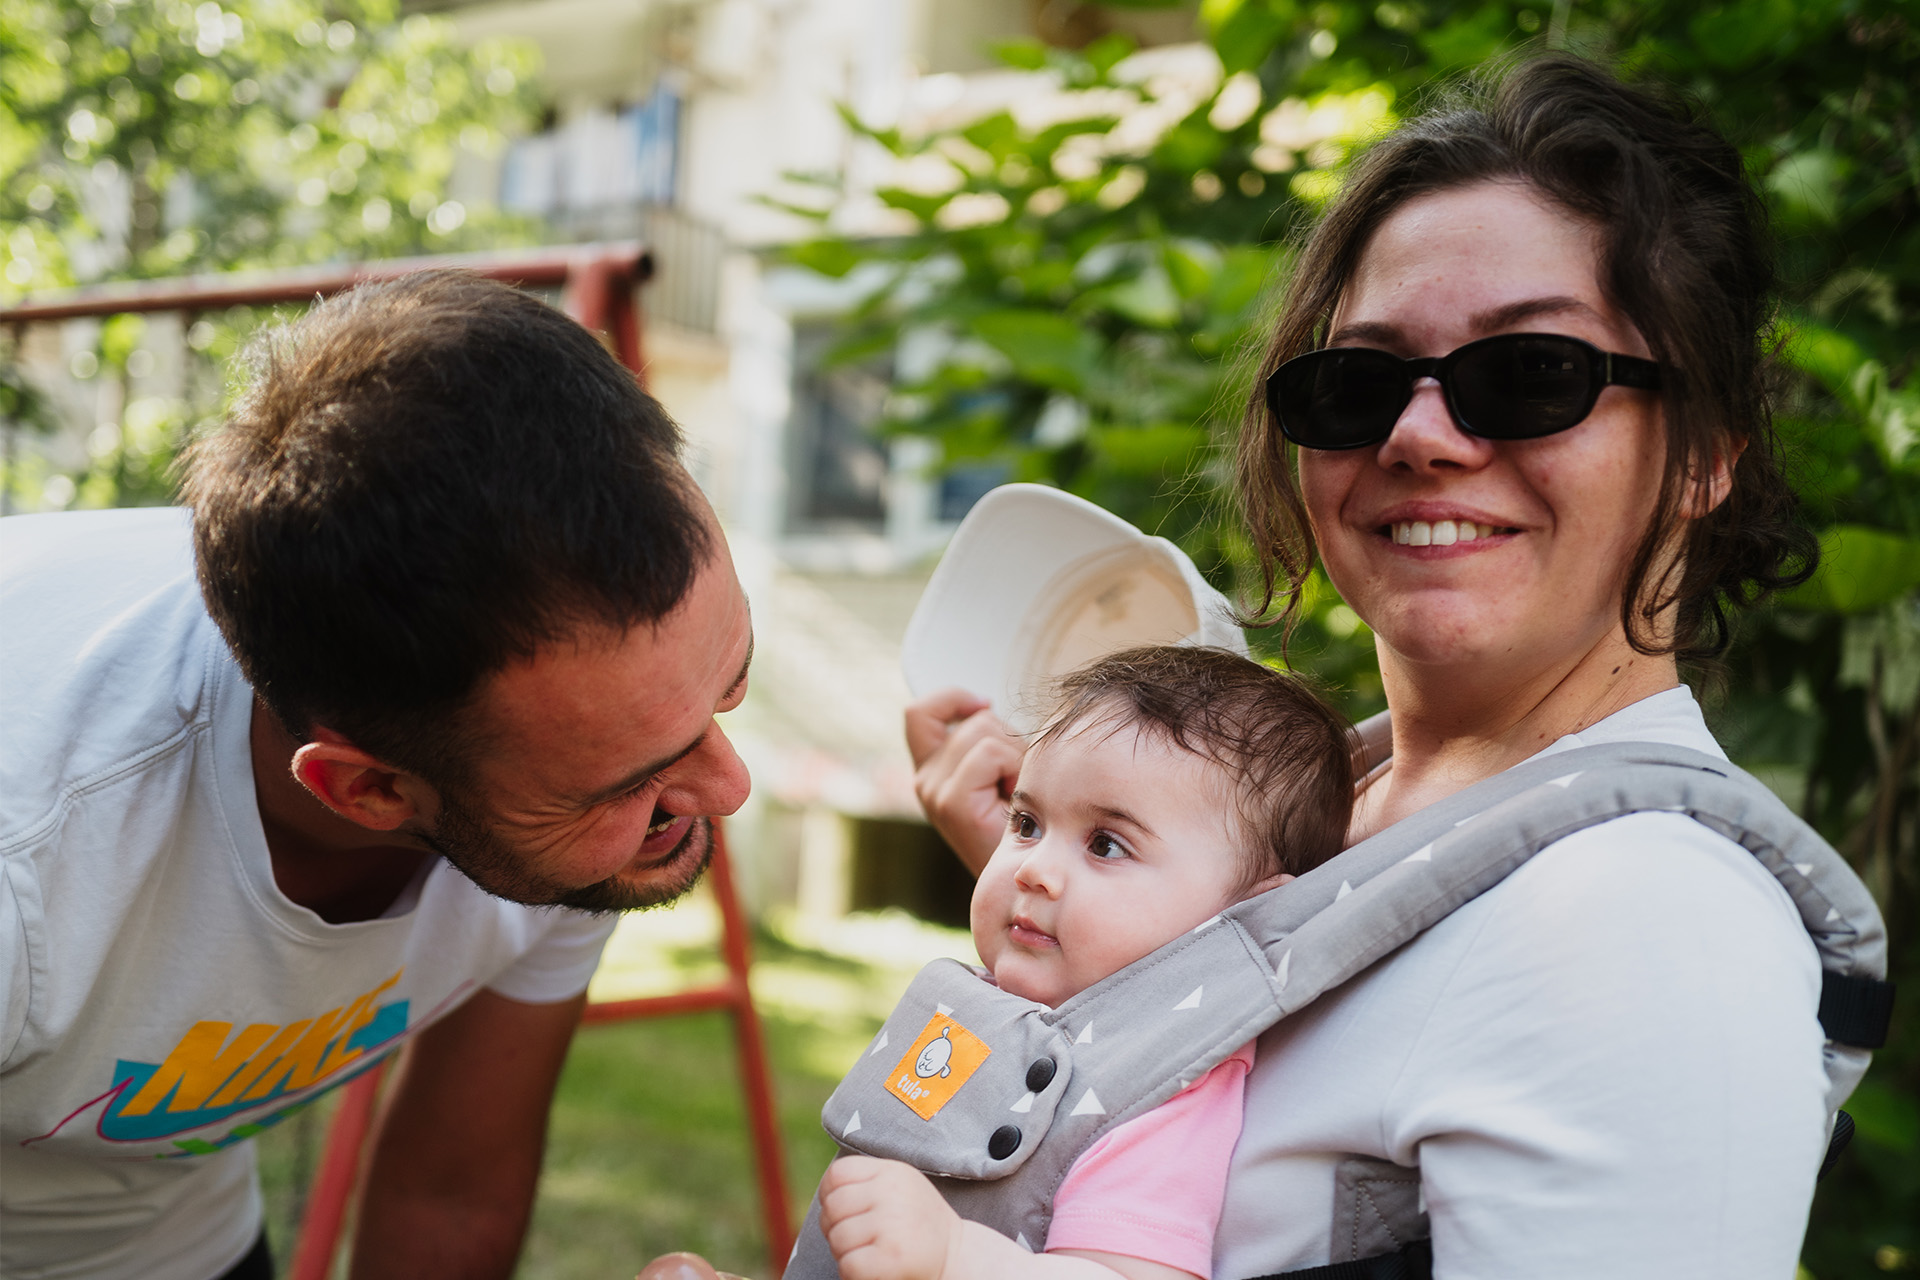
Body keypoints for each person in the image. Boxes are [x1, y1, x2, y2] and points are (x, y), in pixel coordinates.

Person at [905, 56, 1830, 1278]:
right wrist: (1080, 886)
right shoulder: (1337, 808)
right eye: (1357, 382)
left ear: (1707, 450)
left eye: (1531, 372)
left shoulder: (1647, 927)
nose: (1418, 433)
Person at [0, 272, 754, 1280]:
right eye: (630, 782)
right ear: (370, 790)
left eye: (729, 683)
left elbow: (449, 1190)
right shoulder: (34, 846)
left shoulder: (585, 767)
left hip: (155, 1230)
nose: (726, 787)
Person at [820, 646, 1353, 1280]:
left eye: (1106, 844)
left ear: (1244, 918)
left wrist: (957, 1256)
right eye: (1026, 822)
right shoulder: (1002, 1009)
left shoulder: (1161, 1090)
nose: (1034, 868)